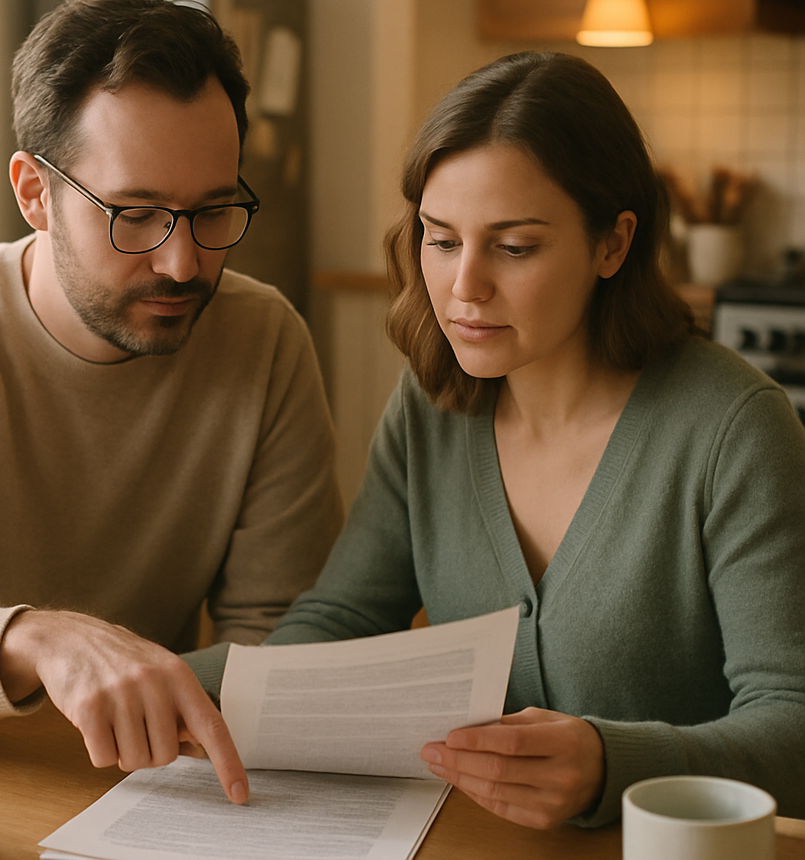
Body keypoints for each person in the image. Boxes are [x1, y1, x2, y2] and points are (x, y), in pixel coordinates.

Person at [186, 50, 805, 826]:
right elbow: (339, 623)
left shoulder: (732, 428)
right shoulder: (430, 403)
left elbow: (792, 725)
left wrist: (612, 766)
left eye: (514, 248)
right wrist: (165, 681)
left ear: (613, 244)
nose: (464, 287)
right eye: (441, 240)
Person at [0, 0, 342, 805]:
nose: (183, 263)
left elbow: (283, 641)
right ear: (34, 194)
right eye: (137, 213)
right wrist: (38, 640)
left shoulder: (265, 340)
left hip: (153, 784)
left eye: (213, 211)